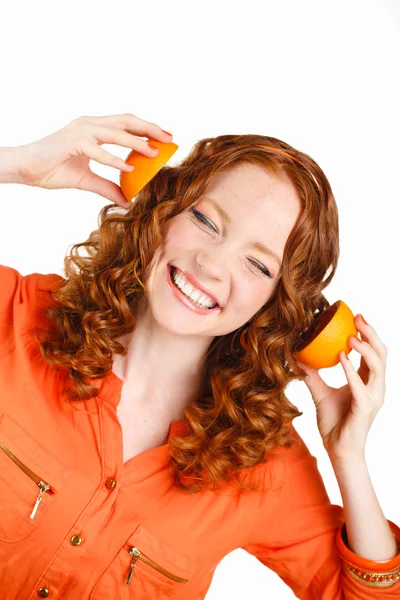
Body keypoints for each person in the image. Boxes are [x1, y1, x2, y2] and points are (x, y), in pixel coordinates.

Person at [0, 113, 399, 599]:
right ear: (164, 211)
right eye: (206, 220)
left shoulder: (260, 463)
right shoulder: (15, 315)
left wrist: (349, 459)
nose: (210, 264)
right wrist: (16, 165)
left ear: (279, 304)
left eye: (256, 263)